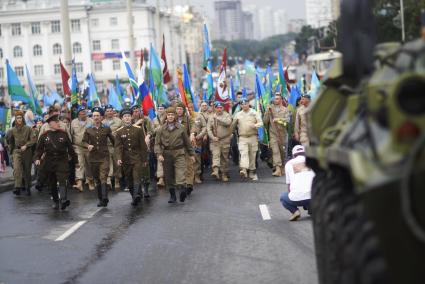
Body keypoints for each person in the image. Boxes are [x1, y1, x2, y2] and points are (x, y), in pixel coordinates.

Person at [34, 113, 78, 210]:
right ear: (50, 124)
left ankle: (63, 200)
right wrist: (37, 158)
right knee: (52, 182)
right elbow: (39, 149)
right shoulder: (44, 136)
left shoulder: (64, 134)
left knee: (62, 179)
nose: (58, 123)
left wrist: (76, 161)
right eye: (56, 122)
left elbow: (70, 149)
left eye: (58, 121)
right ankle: (55, 200)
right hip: (49, 161)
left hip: (62, 160)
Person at [155, 107, 195, 203]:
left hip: (179, 153)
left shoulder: (181, 127)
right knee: (169, 175)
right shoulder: (161, 129)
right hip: (167, 154)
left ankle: (182, 191)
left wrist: (191, 154)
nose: (170, 116)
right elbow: (157, 143)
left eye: (172, 115)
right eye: (168, 115)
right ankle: (172, 195)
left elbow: (187, 142)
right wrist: (159, 154)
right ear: (166, 116)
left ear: (175, 116)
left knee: (181, 172)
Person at [82, 107, 115, 207]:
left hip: (104, 156)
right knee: (97, 179)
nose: (96, 117)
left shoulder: (106, 128)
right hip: (93, 157)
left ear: (101, 117)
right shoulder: (88, 129)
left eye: (97, 116)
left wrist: (119, 150)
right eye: (94, 116)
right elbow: (83, 141)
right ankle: (101, 199)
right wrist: (88, 146)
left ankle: (105, 197)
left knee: (103, 176)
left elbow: (114, 141)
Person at [115, 109, 148, 206]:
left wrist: (144, 159)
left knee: (136, 176)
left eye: (128, 116)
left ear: (131, 117)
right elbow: (118, 146)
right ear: (122, 118)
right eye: (125, 116)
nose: (127, 118)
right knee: (129, 180)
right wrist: (119, 158)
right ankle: (135, 195)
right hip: (126, 159)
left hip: (137, 157)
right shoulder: (119, 132)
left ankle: (136, 196)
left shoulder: (138, 129)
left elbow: (143, 146)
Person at [280, 145, 315, 221]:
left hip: (297, 198)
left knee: (283, 197)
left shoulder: (288, 164)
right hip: (314, 196)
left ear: (293, 155)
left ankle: (295, 212)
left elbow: (289, 187)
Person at [231, 98, 263, 180]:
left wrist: (255, 125)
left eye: (246, 103)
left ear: (248, 104)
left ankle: (252, 172)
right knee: (243, 153)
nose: (244, 105)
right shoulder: (238, 114)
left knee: (252, 155)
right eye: (242, 104)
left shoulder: (254, 112)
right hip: (242, 138)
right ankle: (244, 169)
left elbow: (261, 122)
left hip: (253, 137)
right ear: (240, 105)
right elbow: (233, 126)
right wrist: (230, 133)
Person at [9, 110, 37, 196]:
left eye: (20, 117)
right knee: (17, 168)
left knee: (27, 170)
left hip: (27, 151)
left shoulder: (28, 129)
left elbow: (33, 139)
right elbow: (11, 142)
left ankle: (28, 186)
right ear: (15, 119)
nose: (19, 119)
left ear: (23, 118)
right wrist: (11, 153)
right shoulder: (12, 130)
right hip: (17, 151)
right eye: (17, 118)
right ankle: (17, 187)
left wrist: (27, 145)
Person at [263, 93, 290, 177]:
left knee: (282, 152)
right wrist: (267, 112)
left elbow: (287, 121)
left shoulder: (285, 109)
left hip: (282, 134)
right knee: (275, 151)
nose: (276, 100)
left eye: (278, 99)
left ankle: (282, 167)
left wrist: (278, 119)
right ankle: (277, 168)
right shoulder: (270, 109)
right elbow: (265, 122)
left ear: (281, 100)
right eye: (275, 99)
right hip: (273, 134)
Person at [207, 101, 233, 181]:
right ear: (215, 108)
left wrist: (218, 119)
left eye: (220, 108)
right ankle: (215, 171)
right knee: (215, 155)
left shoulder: (227, 115)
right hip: (215, 141)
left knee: (224, 158)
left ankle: (224, 174)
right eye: (217, 108)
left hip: (225, 140)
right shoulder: (211, 117)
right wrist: (212, 137)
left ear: (223, 108)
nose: (219, 109)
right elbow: (208, 129)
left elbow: (228, 123)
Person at [70, 107, 93, 192]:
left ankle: (90, 181)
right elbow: (71, 134)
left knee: (89, 164)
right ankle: (79, 183)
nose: (84, 114)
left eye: (85, 112)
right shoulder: (73, 122)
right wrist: (71, 146)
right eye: (82, 113)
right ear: (78, 114)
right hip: (77, 146)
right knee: (79, 164)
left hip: (88, 146)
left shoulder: (91, 121)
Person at [103, 105, 123, 191]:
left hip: (116, 145)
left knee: (117, 164)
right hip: (106, 145)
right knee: (107, 164)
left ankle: (117, 180)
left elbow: (122, 131)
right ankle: (108, 181)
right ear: (105, 112)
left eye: (111, 111)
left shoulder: (119, 121)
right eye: (107, 111)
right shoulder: (102, 122)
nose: (109, 112)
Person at [152, 104, 166, 187]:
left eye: (161, 108)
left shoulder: (168, 118)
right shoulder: (154, 120)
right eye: (158, 109)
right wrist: (159, 128)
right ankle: (161, 179)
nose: (160, 110)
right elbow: (152, 131)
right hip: (158, 142)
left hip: (168, 141)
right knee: (160, 160)